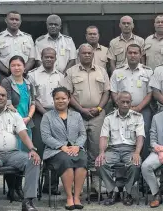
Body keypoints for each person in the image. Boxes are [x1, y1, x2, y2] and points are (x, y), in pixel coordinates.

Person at [0, 86, 42, 211]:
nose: (0, 97)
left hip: (13, 153)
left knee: (34, 160)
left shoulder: (14, 114)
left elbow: (23, 133)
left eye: (3, 95)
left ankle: (28, 202)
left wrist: (32, 150)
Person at [64, 44, 111, 196]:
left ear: (93, 54)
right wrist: (81, 110)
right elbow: (67, 94)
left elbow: (106, 92)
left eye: (89, 53)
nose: (87, 55)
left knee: (96, 149)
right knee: (76, 148)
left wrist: (98, 109)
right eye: (83, 53)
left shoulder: (102, 71)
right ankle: (76, 183)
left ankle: (96, 183)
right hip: (77, 114)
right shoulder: (71, 72)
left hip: (97, 115)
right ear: (79, 54)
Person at [39, 87, 88, 210]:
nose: (60, 101)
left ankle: (77, 197)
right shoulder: (47, 116)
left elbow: (83, 134)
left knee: (82, 159)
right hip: (54, 151)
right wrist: (62, 147)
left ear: (69, 99)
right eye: (57, 98)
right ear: (53, 100)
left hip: (75, 149)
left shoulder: (76, 115)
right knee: (66, 161)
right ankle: (69, 197)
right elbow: (45, 137)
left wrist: (77, 146)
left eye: (63, 98)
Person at [96, 91, 145, 206]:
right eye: (122, 102)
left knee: (136, 164)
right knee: (99, 163)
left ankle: (127, 192)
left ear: (131, 102)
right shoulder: (109, 118)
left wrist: (137, 153)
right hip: (113, 149)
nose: (125, 104)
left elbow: (140, 137)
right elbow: (103, 137)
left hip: (130, 149)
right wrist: (102, 152)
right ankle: (114, 191)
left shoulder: (138, 117)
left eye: (128, 102)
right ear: (117, 102)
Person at [29, 47, 66, 195]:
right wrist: (45, 113)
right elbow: (33, 98)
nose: (49, 59)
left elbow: (64, 97)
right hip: (39, 113)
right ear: (41, 58)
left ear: (55, 58)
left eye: (51, 57)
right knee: (39, 148)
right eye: (46, 57)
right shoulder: (33, 75)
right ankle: (35, 186)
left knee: (55, 149)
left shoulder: (61, 76)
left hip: (58, 113)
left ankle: (51, 185)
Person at [0, 55, 37, 201]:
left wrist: (28, 117)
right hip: (12, 124)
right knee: (13, 156)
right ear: (10, 68)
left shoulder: (29, 83)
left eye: (19, 65)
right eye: (13, 65)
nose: (16, 68)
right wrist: (19, 120)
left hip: (27, 124)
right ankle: (11, 189)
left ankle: (20, 188)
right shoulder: (6, 82)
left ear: (24, 67)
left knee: (26, 156)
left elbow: (33, 103)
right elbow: (6, 103)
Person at [110, 44, 154, 164]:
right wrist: (122, 106)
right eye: (130, 53)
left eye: (135, 53)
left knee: (144, 134)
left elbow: (150, 93)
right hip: (122, 110)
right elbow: (113, 91)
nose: (133, 55)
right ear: (126, 55)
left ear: (140, 55)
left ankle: (143, 168)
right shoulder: (117, 72)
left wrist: (139, 107)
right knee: (121, 136)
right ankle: (122, 173)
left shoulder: (148, 72)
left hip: (142, 109)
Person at [0, 11, 36, 82]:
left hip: (24, 75)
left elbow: (32, 59)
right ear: (6, 20)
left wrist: (23, 70)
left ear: (20, 22)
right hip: (4, 76)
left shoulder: (28, 38)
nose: (14, 22)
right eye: (12, 19)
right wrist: (8, 71)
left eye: (17, 20)